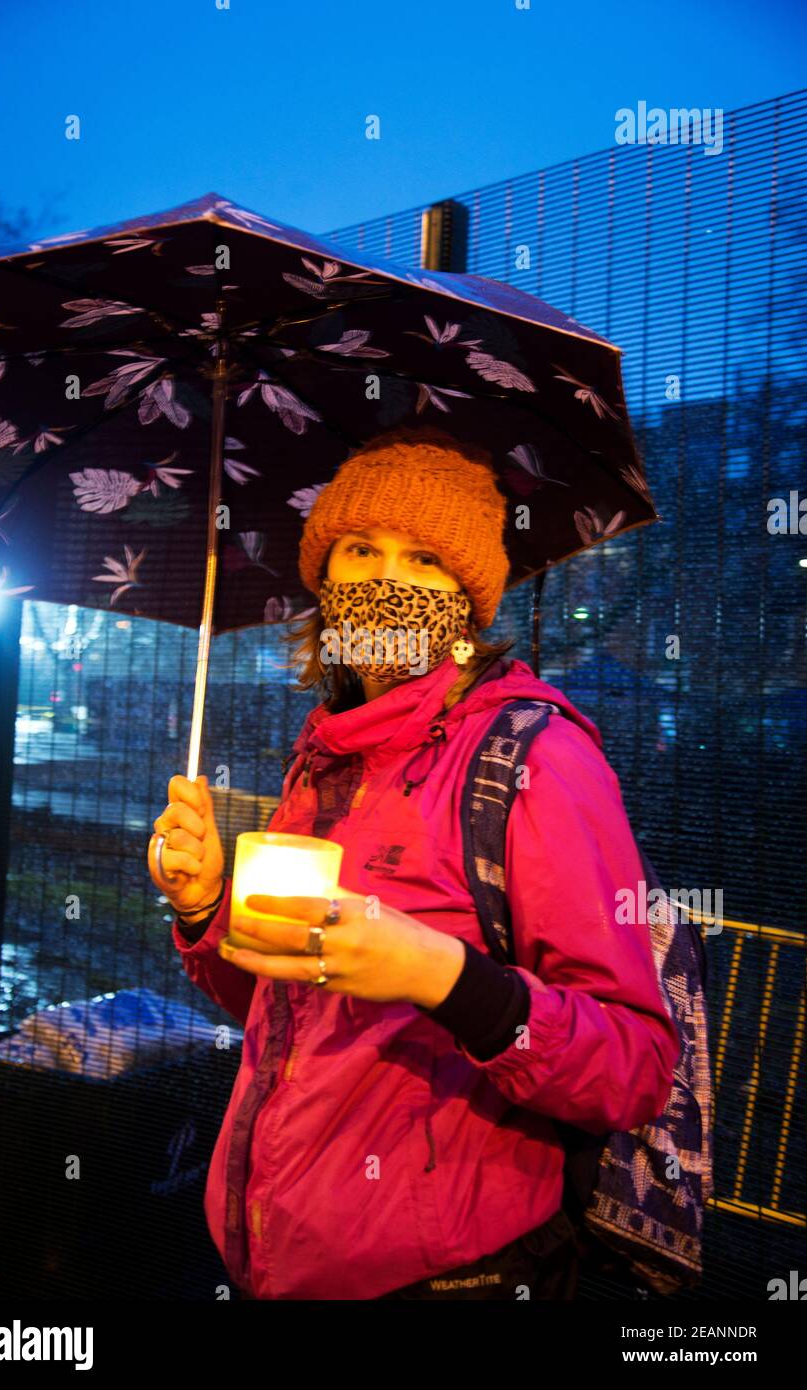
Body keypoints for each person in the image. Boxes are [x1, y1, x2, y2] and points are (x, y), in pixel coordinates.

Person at [149, 425, 680, 1301]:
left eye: (425, 561)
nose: (387, 580)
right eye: (360, 549)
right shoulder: (325, 759)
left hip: (448, 1277)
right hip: (273, 1260)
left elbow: (632, 1066)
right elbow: (291, 1009)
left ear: (469, 600)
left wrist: (445, 978)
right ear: (324, 576)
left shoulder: (534, 760)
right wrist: (206, 910)